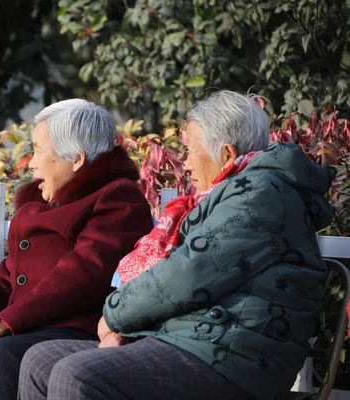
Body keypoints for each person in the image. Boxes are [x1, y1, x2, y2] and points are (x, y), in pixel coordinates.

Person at [18, 90, 336, 400]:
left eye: (190, 151)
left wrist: (114, 315)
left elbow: (186, 275)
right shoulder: (238, 193)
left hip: (235, 360)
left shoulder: (258, 196)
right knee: (39, 361)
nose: (184, 163)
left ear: (225, 154)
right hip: (196, 340)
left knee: (78, 374)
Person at [0, 99, 153, 400]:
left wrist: (10, 321)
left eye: (37, 150)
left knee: (0, 358)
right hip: (20, 326)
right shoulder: (43, 200)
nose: (31, 163)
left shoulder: (119, 200)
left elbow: (78, 277)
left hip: (73, 331)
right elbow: (9, 275)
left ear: (76, 159)